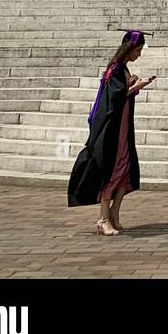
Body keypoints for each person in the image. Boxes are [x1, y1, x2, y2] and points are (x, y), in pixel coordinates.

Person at [67, 29, 155, 235]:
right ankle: (103, 218)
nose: (139, 54)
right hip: (113, 129)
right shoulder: (115, 69)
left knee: (125, 169)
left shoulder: (121, 68)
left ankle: (114, 212)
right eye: (138, 50)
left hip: (123, 127)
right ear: (129, 49)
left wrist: (132, 83)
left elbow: (119, 92)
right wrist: (134, 87)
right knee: (112, 169)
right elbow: (114, 97)